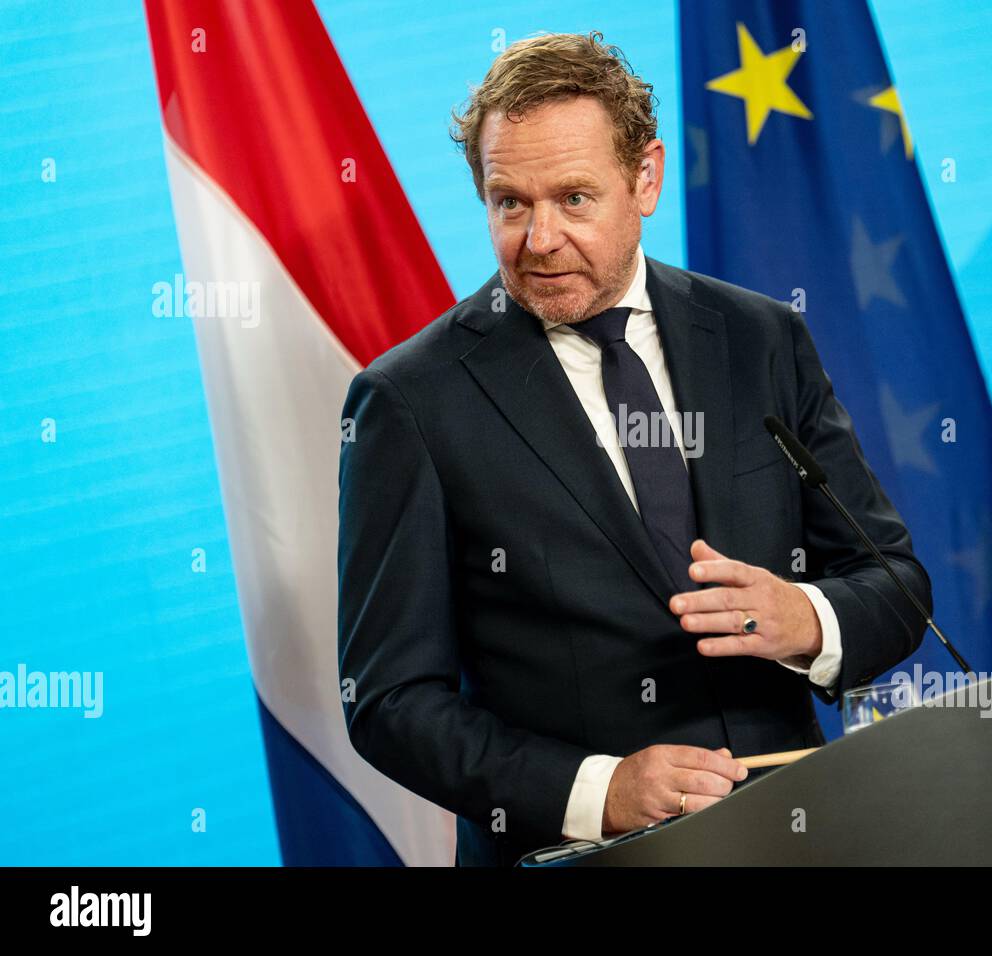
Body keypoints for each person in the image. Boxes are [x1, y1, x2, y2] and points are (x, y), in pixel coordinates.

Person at [337, 31, 931, 867]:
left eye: (573, 199)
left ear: (645, 178)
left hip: (796, 836)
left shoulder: (761, 338)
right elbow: (390, 701)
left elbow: (897, 586)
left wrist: (808, 620)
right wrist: (598, 791)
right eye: (510, 202)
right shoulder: (409, 402)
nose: (538, 239)